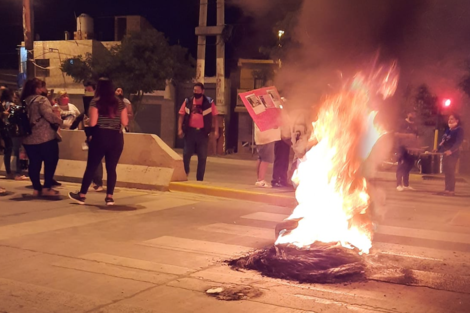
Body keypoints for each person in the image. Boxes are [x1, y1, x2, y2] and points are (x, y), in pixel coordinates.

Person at [69, 78, 128, 205]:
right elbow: (125, 122)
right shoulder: (120, 102)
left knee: (92, 166)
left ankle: (82, 195)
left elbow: (93, 122)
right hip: (116, 137)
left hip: (100, 136)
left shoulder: (96, 102)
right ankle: (109, 197)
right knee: (111, 168)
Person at [20, 78, 69, 197]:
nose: (45, 90)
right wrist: (61, 122)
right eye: (43, 87)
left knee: (34, 163)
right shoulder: (41, 100)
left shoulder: (24, 101)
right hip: (45, 137)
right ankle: (47, 187)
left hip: (28, 138)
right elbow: (48, 115)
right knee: (51, 160)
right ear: (38, 89)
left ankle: (36, 188)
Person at [178, 82, 219, 181]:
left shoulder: (209, 102)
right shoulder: (188, 101)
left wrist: (216, 131)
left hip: (203, 133)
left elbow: (215, 117)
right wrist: (179, 129)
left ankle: (199, 179)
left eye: (198, 91)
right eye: (194, 91)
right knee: (186, 154)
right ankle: (185, 172)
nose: (196, 93)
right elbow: (181, 115)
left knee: (202, 157)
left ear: (203, 91)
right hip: (190, 132)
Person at [1, 88, 27, 180]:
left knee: (8, 151)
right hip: (13, 130)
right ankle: (17, 173)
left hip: (5, 129)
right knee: (16, 150)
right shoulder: (12, 105)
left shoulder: (2, 104)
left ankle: (9, 171)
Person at [436, 114, 464, 196]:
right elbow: (443, 141)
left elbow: (458, 142)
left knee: (451, 171)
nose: (450, 120)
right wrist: (438, 149)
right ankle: (447, 189)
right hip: (445, 153)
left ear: (457, 120)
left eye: (452, 119)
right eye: (449, 119)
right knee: (447, 171)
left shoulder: (459, 130)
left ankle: (451, 190)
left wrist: (451, 151)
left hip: (453, 154)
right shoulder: (448, 130)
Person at [395, 111, 419, 191]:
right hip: (402, 147)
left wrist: (416, 147)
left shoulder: (415, 125)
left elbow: (416, 137)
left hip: (411, 148)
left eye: (414, 113)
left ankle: (406, 184)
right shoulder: (402, 123)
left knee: (409, 165)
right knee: (401, 165)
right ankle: (398, 184)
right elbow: (396, 134)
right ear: (407, 114)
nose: (413, 115)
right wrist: (408, 136)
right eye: (411, 113)